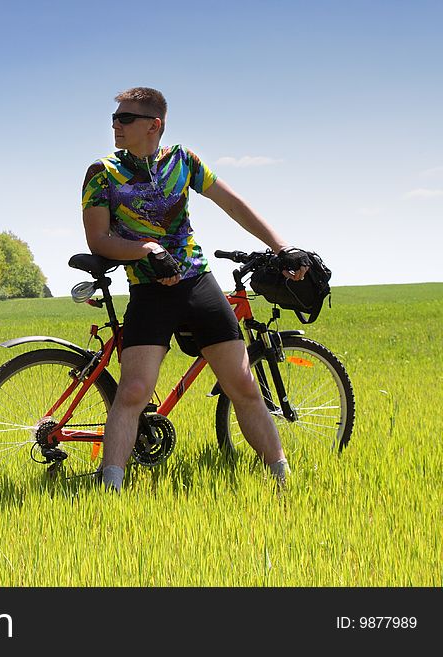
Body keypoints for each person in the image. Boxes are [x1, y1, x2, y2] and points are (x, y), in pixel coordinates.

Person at [81, 87, 310, 491]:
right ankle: (110, 488)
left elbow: (235, 204)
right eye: (114, 118)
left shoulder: (183, 161)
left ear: (154, 125)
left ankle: (282, 480)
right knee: (134, 390)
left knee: (242, 383)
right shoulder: (103, 172)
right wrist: (146, 250)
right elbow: (98, 239)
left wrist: (282, 247)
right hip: (149, 290)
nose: (115, 125)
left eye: (125, 118)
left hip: (196, 283)